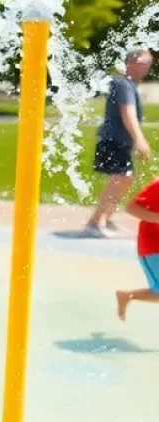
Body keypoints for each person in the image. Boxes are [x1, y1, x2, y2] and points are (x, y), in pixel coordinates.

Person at [84, 49, 154, 238]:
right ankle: (96, 222)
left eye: (148, 65)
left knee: (124, 179)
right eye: (144, 64)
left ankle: (106, 218)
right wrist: (139, 140)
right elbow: (127, 113)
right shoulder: (123, 84)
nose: (146, 69)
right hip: (113, 139)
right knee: (119, 179)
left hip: (119, 140)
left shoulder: (128, 85)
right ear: (131, 63)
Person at [116, 175, 159, 320]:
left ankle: (126, 295)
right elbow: (130, 208)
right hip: (153, 247)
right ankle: (126, 296)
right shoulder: (157, 186)